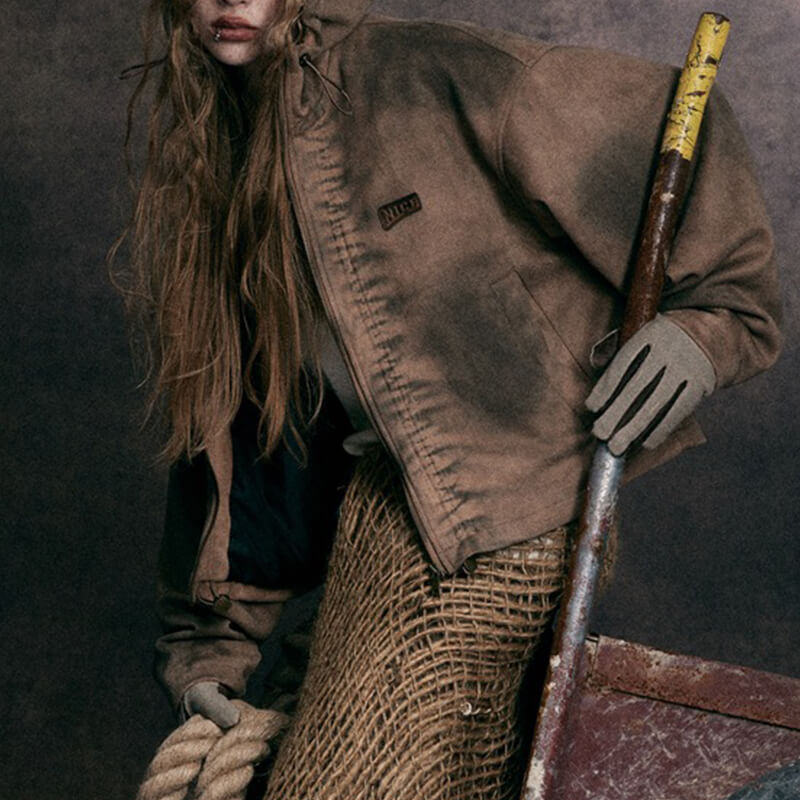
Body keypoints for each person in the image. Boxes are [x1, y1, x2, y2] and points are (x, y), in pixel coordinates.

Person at [118, 0, 781, 797]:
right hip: (374, 518)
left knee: (348, 782)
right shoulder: (217, 155)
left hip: (511, 518)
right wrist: (209, 648)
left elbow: (677, 119)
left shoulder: (431, 73)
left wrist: (707, 329)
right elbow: (244, 434)